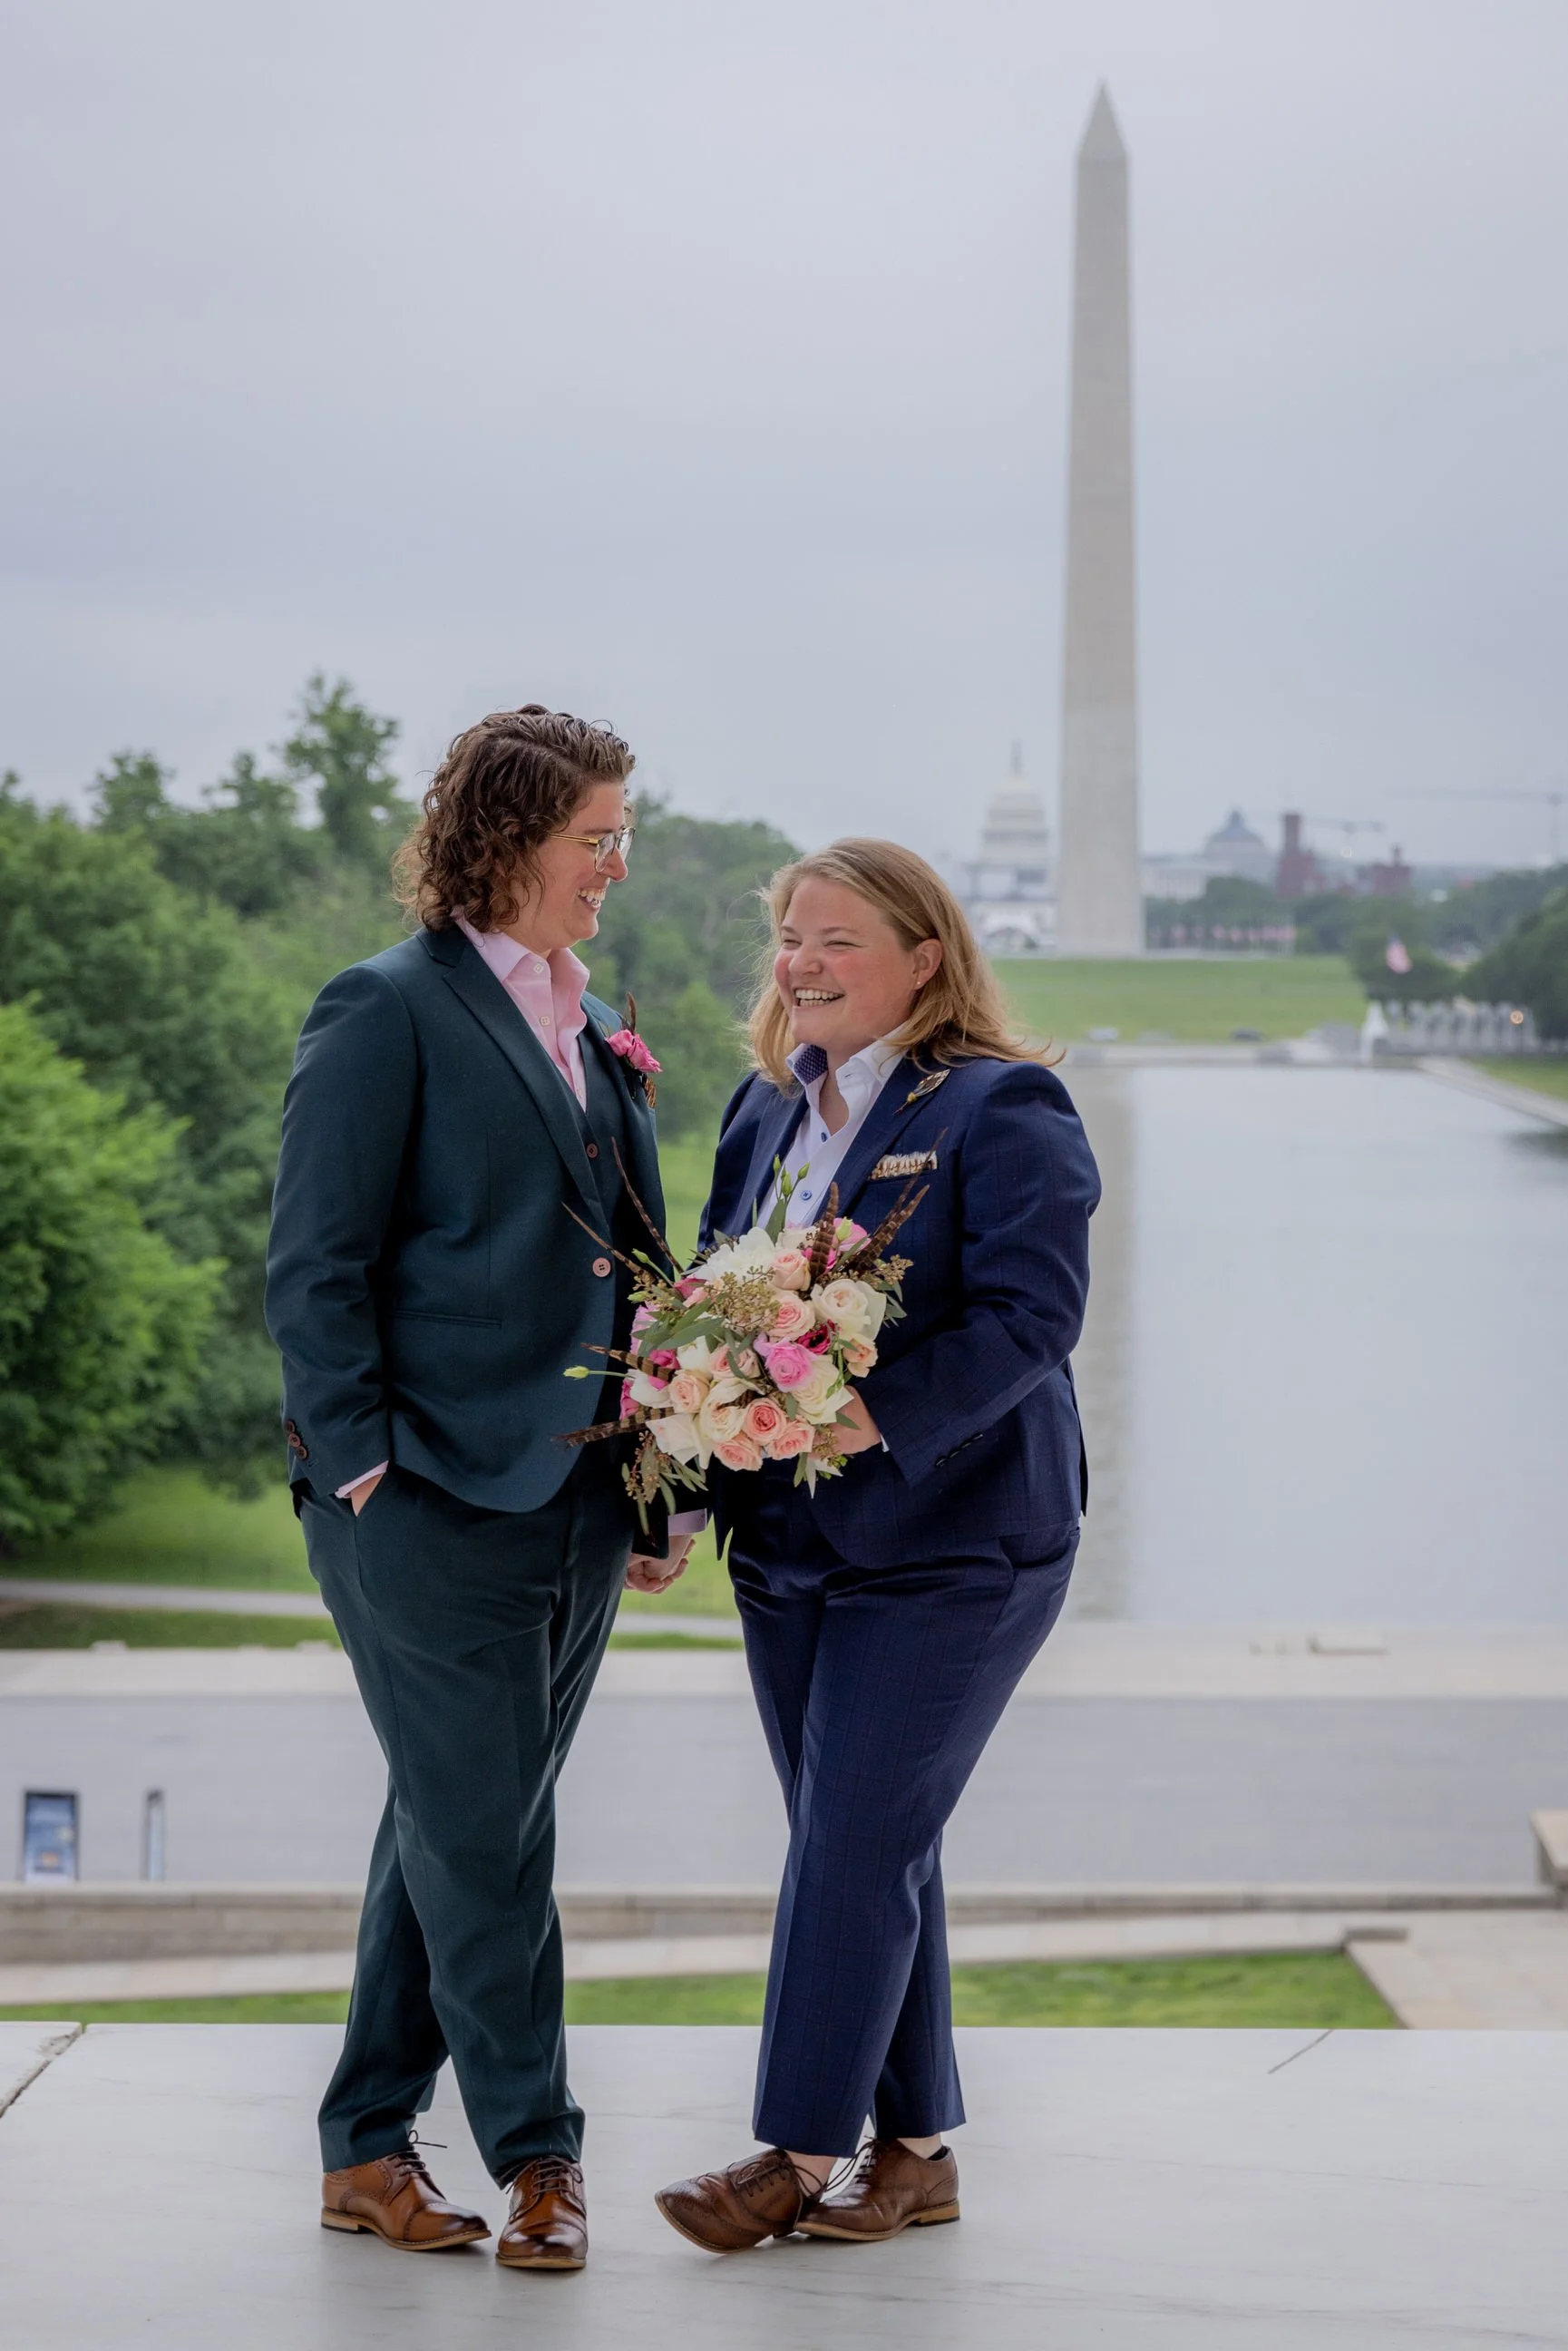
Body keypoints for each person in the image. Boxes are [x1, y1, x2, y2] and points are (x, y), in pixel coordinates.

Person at [265, 704, 693, 2274]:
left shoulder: (592, 1018)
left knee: (455, 1829)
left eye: (620, 836)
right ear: (511, 840)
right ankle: (539, 2160)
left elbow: (638, 1262)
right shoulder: (383, 1011)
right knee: (489, 1844)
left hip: (578, 1507)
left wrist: (663, 1488)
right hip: (426, 1504)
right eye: (597, 837)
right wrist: (366, 1470)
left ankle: (367, 2149)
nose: (617, 864)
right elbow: (314, 1269)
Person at [650, 838, 1099, 2252]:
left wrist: (855, 1424)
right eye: (790, 936)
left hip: (960, 1542)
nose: (802, 963)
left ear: (924, 956)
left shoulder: (1002, 1106)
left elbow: (1033, 1320)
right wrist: (689, 1485)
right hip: (788, 1547)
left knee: (851, 1841)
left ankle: (790, 2152)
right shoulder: (761, 1113)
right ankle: (914, 2155)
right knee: (861, 1838)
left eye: (838, 939)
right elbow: (719, 1317)